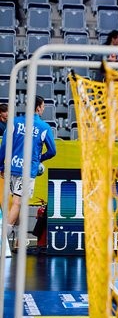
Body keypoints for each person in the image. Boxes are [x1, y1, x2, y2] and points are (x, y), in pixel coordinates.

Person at [0, 96, 57, 229]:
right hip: (27, 170)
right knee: (18, 202)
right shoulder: (44, 127)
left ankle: (18, 240)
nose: (43, 109)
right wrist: (38, 160)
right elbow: (52, 151)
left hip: (11, 167)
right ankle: (3, 240)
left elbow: (4, 145)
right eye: (43, 107)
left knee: (17, 203)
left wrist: (1, 165)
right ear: (38, 108)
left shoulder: (14, 122)